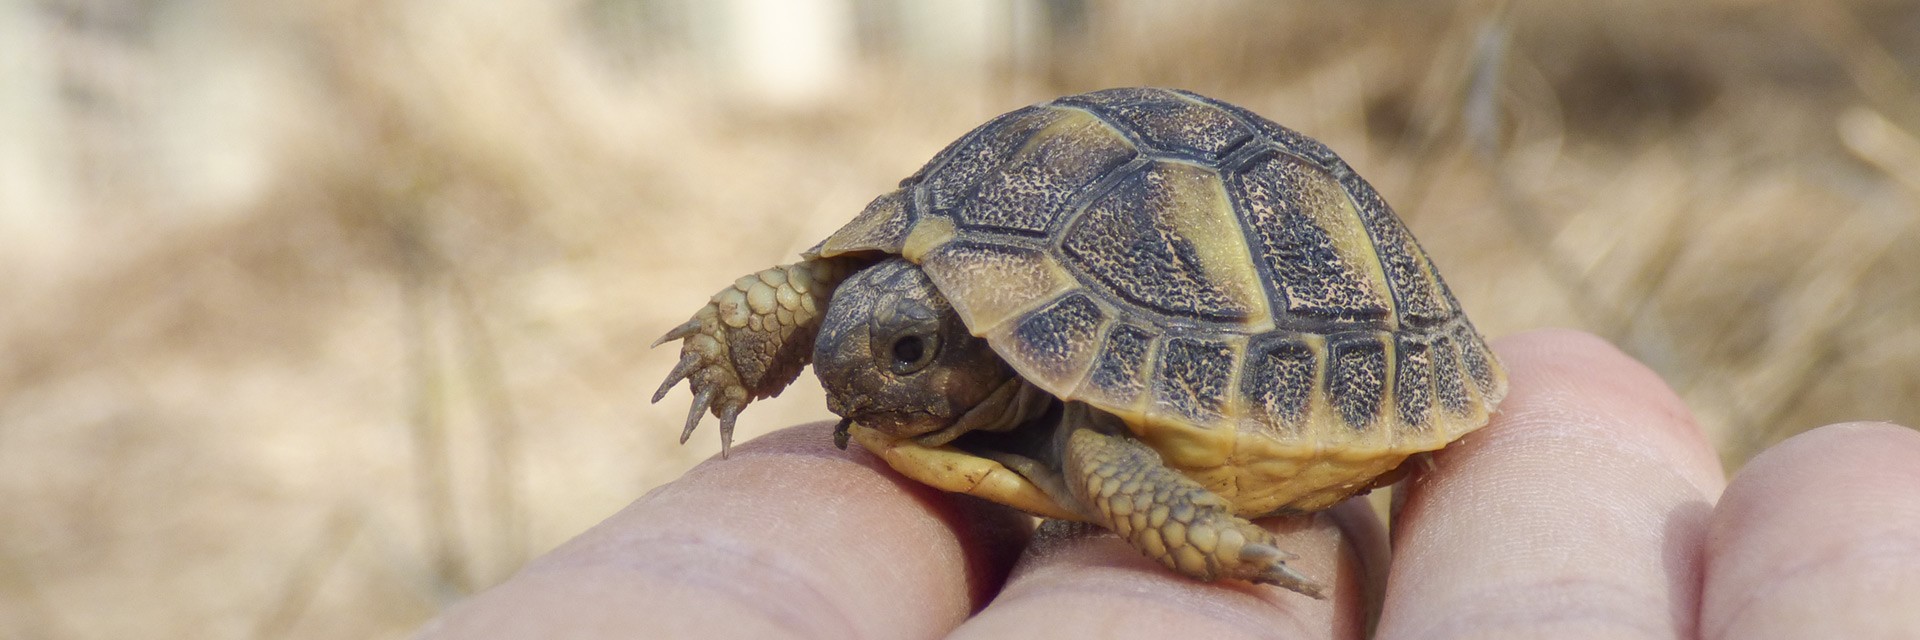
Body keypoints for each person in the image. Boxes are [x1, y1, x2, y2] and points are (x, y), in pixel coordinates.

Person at [418, 330, 1920, 638]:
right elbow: (821, 294)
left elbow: (1108, 457)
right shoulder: (889, 323)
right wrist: (758, 330)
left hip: (1246, 300)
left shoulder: (1073, 425)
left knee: (1099, 458)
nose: (855, 377)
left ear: (976, 358)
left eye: (900, 355)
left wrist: (1193, 536)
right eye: (855, 350)